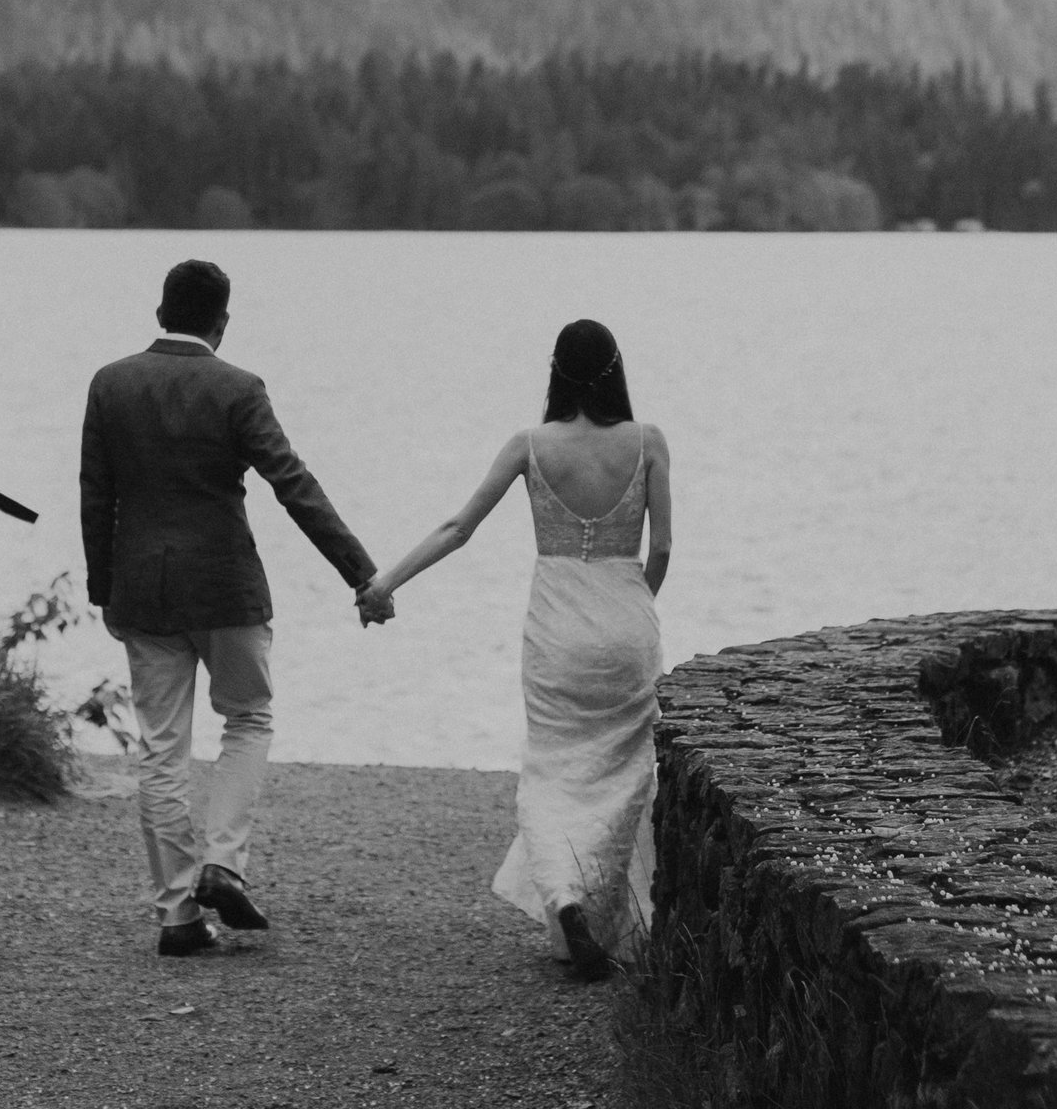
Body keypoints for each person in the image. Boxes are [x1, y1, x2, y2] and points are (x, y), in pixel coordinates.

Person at [80, 255, 392, 959]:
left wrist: (105, 588)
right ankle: (223, 860)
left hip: (144, 590)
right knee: (247, 719)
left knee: (162, 748)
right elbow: (294, 485)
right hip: (226, 586)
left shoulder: (111, 385)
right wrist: (361, 574)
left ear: (161, 311)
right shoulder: (238, 389)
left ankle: (178, 914)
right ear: (222, 321)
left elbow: (96, 497)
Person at [358, 317, 668, 981]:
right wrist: (638, 602)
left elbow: (458, 527)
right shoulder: (648, 443)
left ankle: (563, 897)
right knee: (627, 767)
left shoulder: (530, 445)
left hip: (557, 627)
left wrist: (385, 582)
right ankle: (613, 914)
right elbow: (663, 547)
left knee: (553, 772)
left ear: (555, 372)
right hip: (627, 617)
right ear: (618, 372)